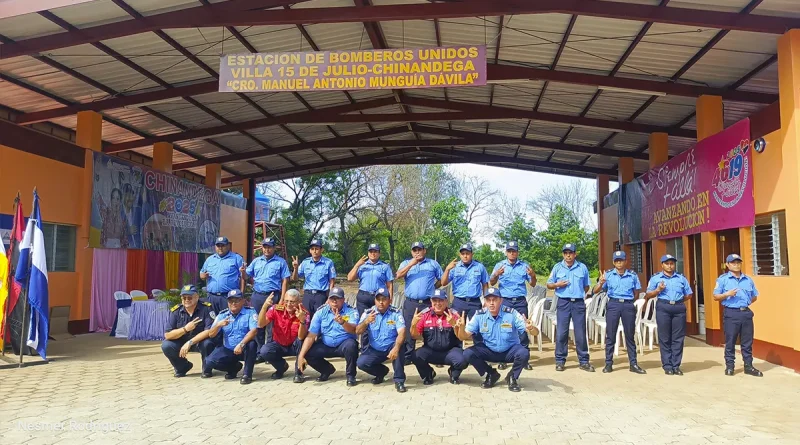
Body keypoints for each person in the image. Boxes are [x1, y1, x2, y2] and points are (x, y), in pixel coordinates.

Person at [455, 288, 538, 392]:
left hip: (509, 350)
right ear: (484, 302)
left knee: (524, 353)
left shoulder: (511, 313)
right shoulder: (479, 315)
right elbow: (463, 336)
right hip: (490, 350)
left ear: (501, 300)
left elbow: (535, 333)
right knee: (468, 353)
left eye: (494, 300)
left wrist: (531, 328)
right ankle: (491, 374)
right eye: (488, 300)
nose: (491, 303)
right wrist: (461, 327)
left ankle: (512, 377)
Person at [592, 251, 646, 374]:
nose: (619, 263)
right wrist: (601, 282)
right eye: (616, 261)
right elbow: (595, 291)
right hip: (614, 305)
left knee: (630, 336)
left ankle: (633, 364)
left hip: (627, 305)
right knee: (610, 336)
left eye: (621, 260)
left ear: (626, 261)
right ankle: (608, 363)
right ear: (613, 262)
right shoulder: (608, 275)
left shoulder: (632, 275)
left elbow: (636, 291)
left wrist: (631, 302)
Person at [295, 287, 359, 386]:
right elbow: (311, 335)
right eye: (332, 298)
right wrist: (301, 356)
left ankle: (351, 376)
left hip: (344, 344)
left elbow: (354, 330)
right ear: (328, 300)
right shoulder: (321, 312)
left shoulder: (351, 311)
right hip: (326, 344)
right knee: (308, 352)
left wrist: (343, 322)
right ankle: (326, 370)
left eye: (337, 298)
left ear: (343, 299)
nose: (334, 301)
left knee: (352, 345)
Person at [712, 254, 763, 377]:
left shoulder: (748, 280)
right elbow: (715, 296)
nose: (736, 265)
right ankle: (730, 366)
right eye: (733, 263)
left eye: (738, 262)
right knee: (730, 341)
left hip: (745, 313)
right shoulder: (723, 279)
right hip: (731, 313)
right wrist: (727, 294)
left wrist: (745, 303)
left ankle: (748, 366)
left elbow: (754, 296)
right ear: (728, 265)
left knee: (747, 342)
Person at [490, 241, 537, 369]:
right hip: (505, 300)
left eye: (514, 251)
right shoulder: (500, 265)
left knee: (522, 328)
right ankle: (503, 359)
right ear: (506, 252)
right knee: (504, 328)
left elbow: (532, 283)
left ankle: (524, 359)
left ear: (517, 252)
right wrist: (496, 275)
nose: (512, 253)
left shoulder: (524, 266)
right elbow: (492, 282)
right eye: (509, 251)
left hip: (520, 301)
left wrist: (533, 275)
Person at [546, 243, 593, 372]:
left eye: (570, 253)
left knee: (580, 333)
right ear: (563, 254)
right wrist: (557, 284)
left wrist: (577, 293)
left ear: (575, 254)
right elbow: (549, 285)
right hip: (563, 302)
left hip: (578, 303)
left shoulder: (582, 267)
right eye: (565, 253)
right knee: (562, 332)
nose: (568, 255)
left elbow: (586, 286)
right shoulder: (557, 267)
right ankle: (560, 361)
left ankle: (584, 361)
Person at [645, 254, 693, 375]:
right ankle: (667, 365)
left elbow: (689, 294)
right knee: (665, 337)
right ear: (662, 265)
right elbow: (648, 295)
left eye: (672, 263)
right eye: (667, 263)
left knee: (678, 338)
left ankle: (676, 365)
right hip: (663, 307)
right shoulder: (656, 278)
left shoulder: (681, 278)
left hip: (678, 307)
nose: (670, 266)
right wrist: (658, 290)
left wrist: (678, 301)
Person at [395, 241, 443, 363]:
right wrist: (411, 264)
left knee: (431, 328)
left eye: (419, 249)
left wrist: (433, 289)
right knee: (409, 328)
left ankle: (432, 355)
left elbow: (442, 280)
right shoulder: (406, 263)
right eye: (414, 250)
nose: (417, 252)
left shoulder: (433, 264)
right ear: (412, 252)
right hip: (411, 302)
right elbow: (398, 275)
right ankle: (408, 356)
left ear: (424, 250)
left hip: (427, 302)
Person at [409, 289, 468, 385]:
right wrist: (413, 325)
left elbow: (461, 337)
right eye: (435, 301)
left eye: (440, 300)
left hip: (450, 352)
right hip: (431, 351)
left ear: (446, 301)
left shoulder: (453, 315)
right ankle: (429, 374)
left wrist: (455, 325)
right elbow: (414, 336)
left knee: (464, 358)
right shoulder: (424, 315)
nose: (437, 303)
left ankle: (453, 373)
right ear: (431, 302)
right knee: (416, 356)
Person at [356, 288, 407, 393]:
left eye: (384, 299)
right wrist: (366, 322)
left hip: (391, 346)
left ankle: (399, 380)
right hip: (375, 349)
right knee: (361, 363)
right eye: (378, 299)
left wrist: (396, 348)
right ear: (374, 300)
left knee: (400, 346)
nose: (381, 302)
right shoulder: (368, 313)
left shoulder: (396, 313)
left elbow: (402, 333)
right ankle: (381, 372)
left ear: (390, 300)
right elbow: (357, 331)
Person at [244, 237, 290, 351]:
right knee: (257, 322)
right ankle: (259, 351)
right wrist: (242, 272)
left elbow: (285, 280)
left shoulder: (281, 262)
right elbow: (246, 276)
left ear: (274, 248)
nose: (267, 249)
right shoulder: (256, 261)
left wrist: (282, 299)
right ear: (262, 248)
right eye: (265, 247)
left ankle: (268, 349)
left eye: (269, 247)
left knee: (272, 324)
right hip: (257, 296)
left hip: (274, 295)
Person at [204, 289, 258, 385]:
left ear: (242, 301)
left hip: (244, 347)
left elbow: (254, 331)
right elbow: (211, 334)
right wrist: (218, 325)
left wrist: (241, 344)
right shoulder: (222, 315)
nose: (233, 303)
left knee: (252, 344)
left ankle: (247, 375)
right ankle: (234, 368)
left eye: (237, 300)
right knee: (209, 362)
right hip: (228, 348)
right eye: (230, 301)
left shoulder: (250, 312)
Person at [161, 285, 215, 377]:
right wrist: (185, 329)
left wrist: (190, 342)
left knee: (208, 343)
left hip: (199, 341)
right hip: (182, 340)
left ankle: (207, 369)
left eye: (189, 297)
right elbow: (168, 334)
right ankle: (182, 367)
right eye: (184, 297)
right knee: (166, 345)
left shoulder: (206, 308)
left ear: (197, 297)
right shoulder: (176, 311)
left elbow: (209, 331)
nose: (186, 300)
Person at [256, 289, 310, 379]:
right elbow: (260, 324)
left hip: (295, 344)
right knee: (265, 351)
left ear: (299, 302)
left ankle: (299, 372)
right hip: (279, 343)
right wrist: (264, 306)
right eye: (286, 301)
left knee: (302, 343)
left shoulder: (304, 313)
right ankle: (281, 367)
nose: (288, 304)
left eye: (292, 302)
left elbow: (301, 336)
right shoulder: (276, 309)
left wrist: (302, 321)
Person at [441, 243, 489, 321]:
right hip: (458, 302)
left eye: (467, 253)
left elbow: (485, 284)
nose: (465, 256)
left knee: (475, 329)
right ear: (460, 255)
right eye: (463, 254)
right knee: (456, 328)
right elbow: (443, 283)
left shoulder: (480, 267)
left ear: (472, 254)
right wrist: (447, 269)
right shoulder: (454, 267)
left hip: (475, 302)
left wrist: (486, 300)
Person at [291, 239, 336, 317]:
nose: (314, 251)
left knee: (320, 319)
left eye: (317, 249)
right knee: (305, 319)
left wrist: (329, 298)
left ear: (321, 250)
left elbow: (332, 281)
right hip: (308, 295)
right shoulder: (305, 262)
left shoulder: (328, 262)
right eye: (312, 249)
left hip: (321, 296)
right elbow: (295, 279)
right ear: (310, 251)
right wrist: (295, 268)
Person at [200, 236, 244, 315]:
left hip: (228, 297)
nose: (220, 248)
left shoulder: (236, 258)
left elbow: (244, 277)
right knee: (212, 321)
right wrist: (203, 276)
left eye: (223, 245)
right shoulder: (210, 259)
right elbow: (202, 274)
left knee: (228, 320)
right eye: (218, 246)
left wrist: (241, 293)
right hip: (211, 296)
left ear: (228, 246)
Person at [347, 243, 394, 315]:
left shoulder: (385, 266)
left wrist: (390, 299)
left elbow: (389, 285)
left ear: (379, 253)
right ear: (368, 253)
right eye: (371, 252)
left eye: (375, 251)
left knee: (377, 320)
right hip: (363, 297)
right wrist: (357, 265)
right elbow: (350, 278)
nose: (373, 253)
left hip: (379, 297)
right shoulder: (362, 265)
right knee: (362, 321)